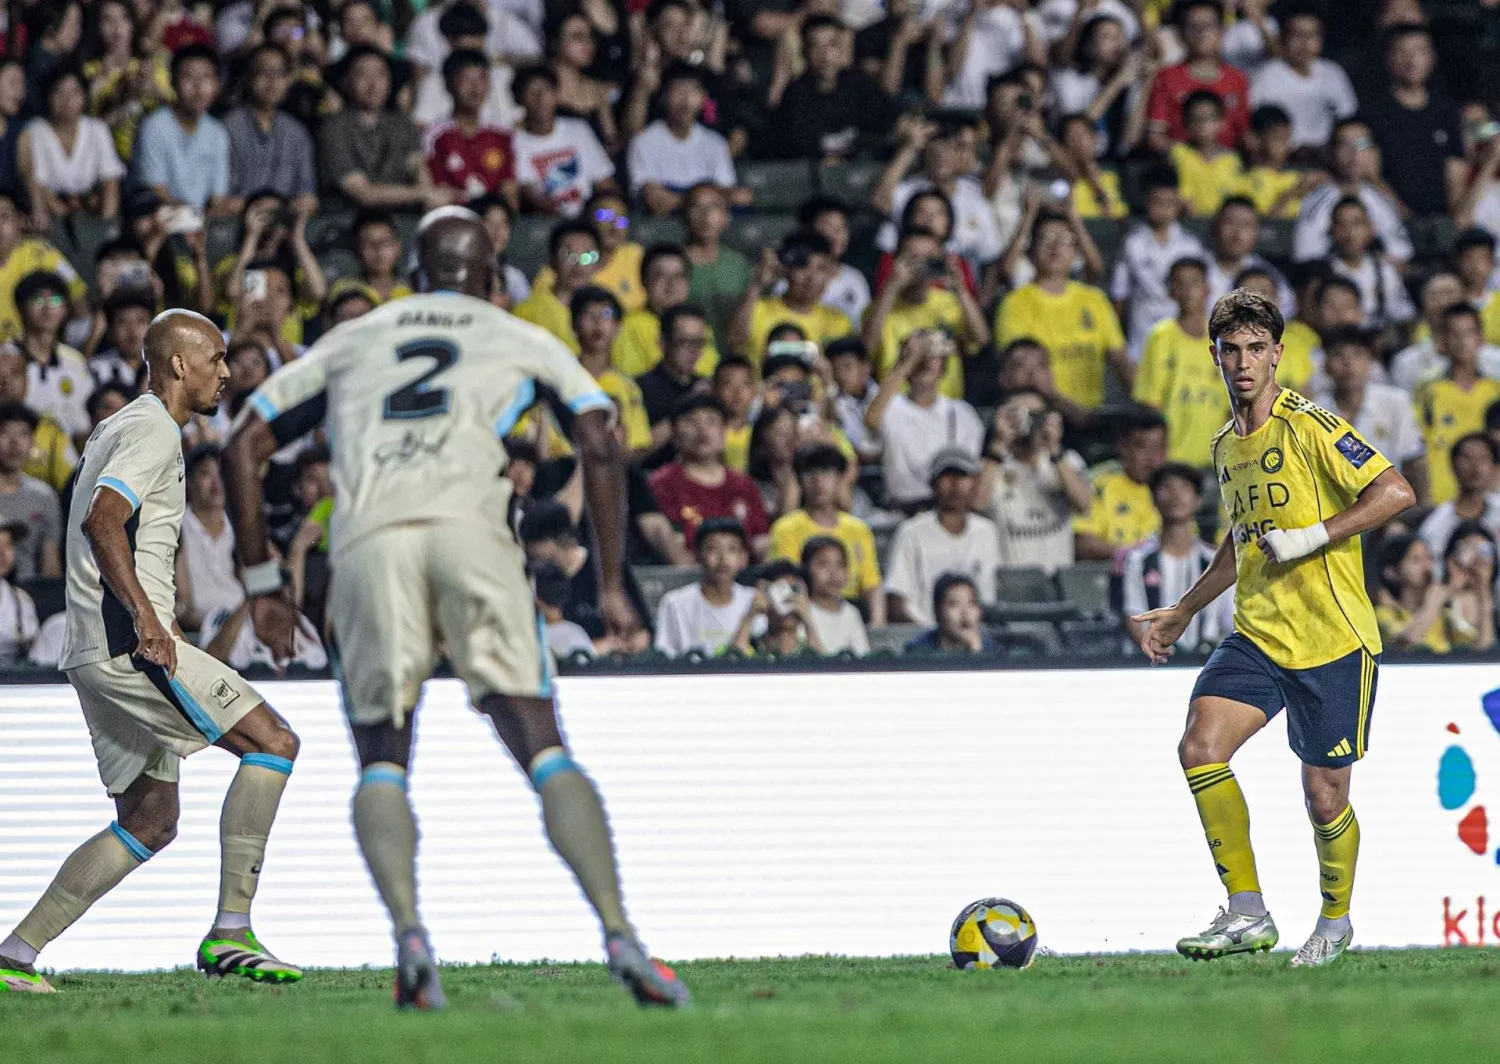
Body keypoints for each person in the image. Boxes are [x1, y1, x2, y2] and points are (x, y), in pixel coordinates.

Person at [223, 207, 686, 1009]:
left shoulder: (355, 337)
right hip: (472, 535)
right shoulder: (521, 336)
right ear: (492, 277)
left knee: (382, 760)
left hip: (369, 543)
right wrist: (611, 585)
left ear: (413, 271)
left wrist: (265, 586)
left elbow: (241, 443)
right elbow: (603, 442)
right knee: (543, 748)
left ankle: (409, 936)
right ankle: (620, 934)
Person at [0, 310, 304, 994]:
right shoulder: (154, 429)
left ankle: (13, 955)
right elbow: (103, 517)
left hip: (93, 648)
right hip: (129, 644)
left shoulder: (121, 425)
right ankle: (231, 933)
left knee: (149, 819)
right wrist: (148, 619)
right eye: (217, 359)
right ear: (178, 365)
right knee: (274, 742)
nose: (226, 373)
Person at [1134, 289, 1416, 967]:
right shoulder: (1226, 443)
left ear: (1278, 355)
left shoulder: (1312, 426)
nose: (1243, 362)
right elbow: (1242, 538)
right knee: (1200, 747)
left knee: (1324, 798)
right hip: (1259, 632)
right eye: (1231, 350)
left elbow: (1396, 491)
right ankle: (1246, 912)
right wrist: (1184, 610)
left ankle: (1335, 921)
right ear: (1215, 357)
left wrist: (1316, 535)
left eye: (1256, 348)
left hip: (1332, 636)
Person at [999, 211, 1132, 411]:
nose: (1055, 247)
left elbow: (1120, 358)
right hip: (1039, 415)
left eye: (1065, 239)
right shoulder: (1015, 304)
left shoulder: (1095, 300)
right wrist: (1070, 411)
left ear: (1076, 251)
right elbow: (1021, 372)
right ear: (1031, 251)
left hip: (1089, 417)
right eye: (1046, 239)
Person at [863, 226, 990, 401]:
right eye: (913, 259)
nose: (922, 266)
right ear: (897, 261)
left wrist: (960, 290)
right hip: (895, 405)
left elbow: (981, 339)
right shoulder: (879, 308)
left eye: (929, 259)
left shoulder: (950, 303)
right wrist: (891, 287)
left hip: (944, 403)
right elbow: (866, 351)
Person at [320, 47, 450, 213]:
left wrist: (430, 196)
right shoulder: (333, 128)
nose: (373, 84)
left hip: (400, 220)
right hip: (348, 221)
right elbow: (362, 193)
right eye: (363, 75)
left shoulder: (401, 123)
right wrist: (422, 194)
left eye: (381, 75)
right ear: (345, 81)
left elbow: (418, 169)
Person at [1121, 463, 1233, 655]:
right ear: (1153, 499)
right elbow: (1133, 615)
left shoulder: (1216, 560)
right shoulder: (1137, 559)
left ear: (1198, 499)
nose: (1175, 495)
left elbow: (1230, 619)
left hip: (1208, 659)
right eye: (1166, 487)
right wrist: (1158, 652)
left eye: (1183, 488)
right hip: (1150, 662)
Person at [976, 389, 1091, 572]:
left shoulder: (1066, 461)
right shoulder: (992, 466)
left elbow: (1083, 505)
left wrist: (1054, 449)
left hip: (1057, 578)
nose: (1029, 421)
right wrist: (998, 443)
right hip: (1013, 582)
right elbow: (976, 506)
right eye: (1019, 414)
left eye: (1036, 415)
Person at [768, 444, 884, 626]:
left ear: (839, 480)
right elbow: (787, 583)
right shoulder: (785, 528)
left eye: (827, 473)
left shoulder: (859, 529)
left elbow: (871, 585)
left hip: (850, 610)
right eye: (810, 474)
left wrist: (877, 625)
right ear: (800, 481)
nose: (818, 481)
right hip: (805, 612)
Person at [884, 447, 1000, 626]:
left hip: (977, 638)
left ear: (975, 482)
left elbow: (988, 597)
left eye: (962, 476)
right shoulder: (911, 532)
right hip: (926, 640)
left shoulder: (987, 531)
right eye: (947, 476)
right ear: (933, 483)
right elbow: (896, 602)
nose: (955, 484)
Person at [1313, 326, 1428, 505]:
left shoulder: (1396, 402)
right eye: (1338, 355)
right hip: (1333, 507)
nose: (1348, 363)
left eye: (1357, 354)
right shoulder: (1312, 411)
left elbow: (1412, 460)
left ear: (1370, 362)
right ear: (1325, 365)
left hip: (1389, 504)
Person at [1133, 257, 1228, 468]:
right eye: (1180, 284)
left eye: (1194, 283)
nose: (1187, 290)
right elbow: (1150, 402)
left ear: (1207, 289)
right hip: (1171, 459)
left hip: (1215, 460)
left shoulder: (1223, 341)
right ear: (1171, 291)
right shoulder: (1160, 336)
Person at [1363, 23, 1465, 218]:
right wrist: (1404, 215)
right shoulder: (1372, 113)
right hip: (1388, 218)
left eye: (1419, 51)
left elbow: (1456, 170)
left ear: (1431, 58)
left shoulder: (1446, 111)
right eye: (1402, 52)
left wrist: (1452, 221)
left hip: (1442, 219)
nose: (1411, 60)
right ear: (1388, 57)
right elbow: (1369, 170)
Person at [648, 393, 768, 556]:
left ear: (724, 432)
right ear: (674, 434)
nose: (702, 429)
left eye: (711, 421)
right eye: (691, 421)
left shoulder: (744, 484)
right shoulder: (663, 483)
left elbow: (759, 538)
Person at [1107, 164, 1205, 361]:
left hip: (1181, 330)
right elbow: (1119, 296)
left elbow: (1202, 296)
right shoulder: (1133, 244)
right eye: (1157, 203)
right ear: (1146, 201)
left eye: (1169, 203)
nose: (1163, 209)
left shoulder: (1191, 245)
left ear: (1178, 203)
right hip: (1143, 334)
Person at [769, 15, 897, 163]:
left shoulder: (860, 85)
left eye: (832, 45)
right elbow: (796, 150)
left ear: (841, 49)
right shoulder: (795, 97)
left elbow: (887, 121)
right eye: (816, 46)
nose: (825, 55)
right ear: (805, 52)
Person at [627, 64, 743, 217]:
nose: (686, 100)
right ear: (663, 97)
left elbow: (731, 194)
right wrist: (705, 203)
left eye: (693, 91)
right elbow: (653, 199)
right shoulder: (643, 142)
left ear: (703, 98)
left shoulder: (716, 143)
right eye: (678, 91)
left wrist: (679, 200)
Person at [18, 66, 126, 230]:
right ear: (48, 96)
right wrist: (71, 220)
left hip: (93, 213)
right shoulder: (35, 130)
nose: (67, 100)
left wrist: (105, 226)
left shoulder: (97, 129)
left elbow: (110, 182)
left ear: (84, 96)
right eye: (59, 92)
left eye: (74, 92)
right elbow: (39, 187)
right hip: (54, 218)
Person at [1292, 118, 1411, 265]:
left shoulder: (1382, 199)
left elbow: (1402, 257)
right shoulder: (1316, 200)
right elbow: (1307, 259)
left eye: (1362, 144)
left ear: (1373, 152)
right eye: (1344, 145)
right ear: (1332, 152)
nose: (1353, 152)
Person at [132, 45, 234, 215]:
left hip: (202, 220)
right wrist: (191, 218)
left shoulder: (217, 132)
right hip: (160, 215)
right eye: (188, 77)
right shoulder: (154, 126)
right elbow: (156, 191)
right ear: (172, 82)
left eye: (206, 77)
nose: (198, 86)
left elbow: (218, 197)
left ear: (217, 85)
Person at [731, 231, 852, 373]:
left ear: (829, 274)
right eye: (803, 267)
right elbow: (735, 341)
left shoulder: (839, 321)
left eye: (820, 268)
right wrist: (757, 284)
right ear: (786, 269)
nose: (811, 277)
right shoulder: (758, 309)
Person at [1416, 304, 1500, 505]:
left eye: (1469, 333)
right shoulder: (1428, 392)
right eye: (1454, 334)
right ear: (1442, 341)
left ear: (1481, 339)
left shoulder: (1496, 391)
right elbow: (1418, 450)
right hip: (1441, 498)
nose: (1462, 341)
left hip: (1490, 499)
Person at [1145, 0, 1251, 154]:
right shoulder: (1166, 77)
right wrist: (1192, 159)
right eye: (1193, 26)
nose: (1202, 32)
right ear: (1181, 34)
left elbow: (1244, 134)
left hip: (1227, 170)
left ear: (1222, 31)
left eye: (1209, 25)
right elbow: (1155, 138)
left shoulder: (1238, 79)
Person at [511, 64, 617, 217]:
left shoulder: (578, 129)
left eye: (547, 90)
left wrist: (608, 209)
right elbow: (528, 191)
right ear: (519, 99)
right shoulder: (513, 141)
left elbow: (604, 181)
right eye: (533, 92)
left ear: (556, 95)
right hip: (544, 219)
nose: (541, 98)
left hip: (591, 216)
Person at [5, 270, 94, 447]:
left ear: (65, 310)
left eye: (55, 300)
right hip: (19, 456)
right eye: (38, 300)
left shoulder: (75, 361)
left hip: (67, 461)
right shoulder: (5, 357)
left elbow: (83, 423)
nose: (47, 308)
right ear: (21, 308)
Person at [1248, 10, 1358, 152]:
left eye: (1311, 35)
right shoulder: (1266, 76)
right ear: (1283, 38)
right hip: (1285, 157)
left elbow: (1348, 117)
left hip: (1328, 155)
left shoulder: (1333, 73)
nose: (1304, 42)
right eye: (1297, 35)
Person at [223, 44, 318, 203]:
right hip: (235, 221)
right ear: (248, 77)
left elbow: (308, 197)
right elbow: (221, 200)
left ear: (288, 79)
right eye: (263, 72)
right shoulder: (228, 127)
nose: (272, 81)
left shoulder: (297, 132)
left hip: (285, 219)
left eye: (280, 73)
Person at [1074, 409, 1170, 561]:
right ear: (1123, 448)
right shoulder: (1099, 484)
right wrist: (1134, 557)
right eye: (1142, 447)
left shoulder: (1173, 488)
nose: (1152, 458)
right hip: (1114, 575)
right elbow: (1084, 544)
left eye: (1159, 448)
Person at [652, 516, 755, 658]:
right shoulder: (675, 604)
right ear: (698, 555)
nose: (723, 558)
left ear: (743, 558)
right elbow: (664, 657)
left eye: (731, 549)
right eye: (713, 548)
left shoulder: (753, 600)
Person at [423, 49, 518, 203]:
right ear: (447, 84)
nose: (475, 88)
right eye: (466, 79)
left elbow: (509, 189)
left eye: (481, 79)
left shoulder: (503, 135)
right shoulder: (433, 135)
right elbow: (436, 190)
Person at [615, 245, 719, 378]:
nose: (671, 285)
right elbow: (632, 381)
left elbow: (711, 372)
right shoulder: (628, 325)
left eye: (678, 276)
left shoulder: (698, 325)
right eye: (660, 276)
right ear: (643, 281)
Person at [174, 443, 242, 632]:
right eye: (206, 474)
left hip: (243, 626)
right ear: (189, 482)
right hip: (199, 630)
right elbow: (184, 605)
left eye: (221, 474)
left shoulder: (241, 527)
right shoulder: (176, 528)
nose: (216, 483)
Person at [1323, 197, 1415, 335]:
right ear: (1332, 231)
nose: (1350, 233)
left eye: (1357, 224)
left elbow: (1403, 315)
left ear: (1370, 229)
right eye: (1342, 225)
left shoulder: (1385, 270)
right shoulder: (1322, 272)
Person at [513, 219, 600, 352]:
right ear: (552, 260)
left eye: (587, 255)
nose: (578, 264)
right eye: (568, 254)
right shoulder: (526, 312)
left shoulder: (605, 313)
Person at [684, 182, 751, 351]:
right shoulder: (674, 263)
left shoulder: (738, 264)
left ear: (725, 217)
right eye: (696, 207)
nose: (705, 215)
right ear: (685, 216)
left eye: (713, 207)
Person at [1417, 433, 1500, 567]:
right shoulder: (1434, 526)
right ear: (1453, 465)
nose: (1475, 467)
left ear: (1495, 467)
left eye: (1483, 458)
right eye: (1467, 458)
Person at [0, 403, 61, 580]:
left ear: (32, 442)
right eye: (5, 432)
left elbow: (50, 561)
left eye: (23, 433)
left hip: (29, 595)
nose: (14, 443)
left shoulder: (44, 496)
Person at [1373, 533, 1452, 654]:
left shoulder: (1445, 615)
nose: (1427, 567)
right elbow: (1409, 641)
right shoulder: (1383, 615)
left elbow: (1481, 646)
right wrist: (1434, 602)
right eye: (1416, 560)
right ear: (1392, 572)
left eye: (1430, 558)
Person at [1171, 91, 1244, 218]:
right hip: (1188, 223)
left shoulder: (1233, 160)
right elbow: (1177, 194)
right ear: (1186, 123)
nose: (1202, 124)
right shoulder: (1177, 153)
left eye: (1209, 118)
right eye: (1196, 118)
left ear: (1222, 122)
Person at [1237, 105, 1312, 220]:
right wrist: (1292, 194)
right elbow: (1263, 228)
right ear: (1255, 139)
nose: (1287, 145)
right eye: (1278, 138)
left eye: (1288, 138)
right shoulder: (1245, 182)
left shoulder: (1296, 178)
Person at [801, 536, 869, 656]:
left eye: (840, 564)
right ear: (807, 569)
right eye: (823, 564)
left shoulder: (851, 613)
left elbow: (862, 657)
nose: (833, 572)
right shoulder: (801, 611)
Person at [903, 573, 999, 655]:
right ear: (937, 611)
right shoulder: (918, 651)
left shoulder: (995, 652)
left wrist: (976, 650)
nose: (965, 612)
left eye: (971, 603)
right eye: (954, 604)